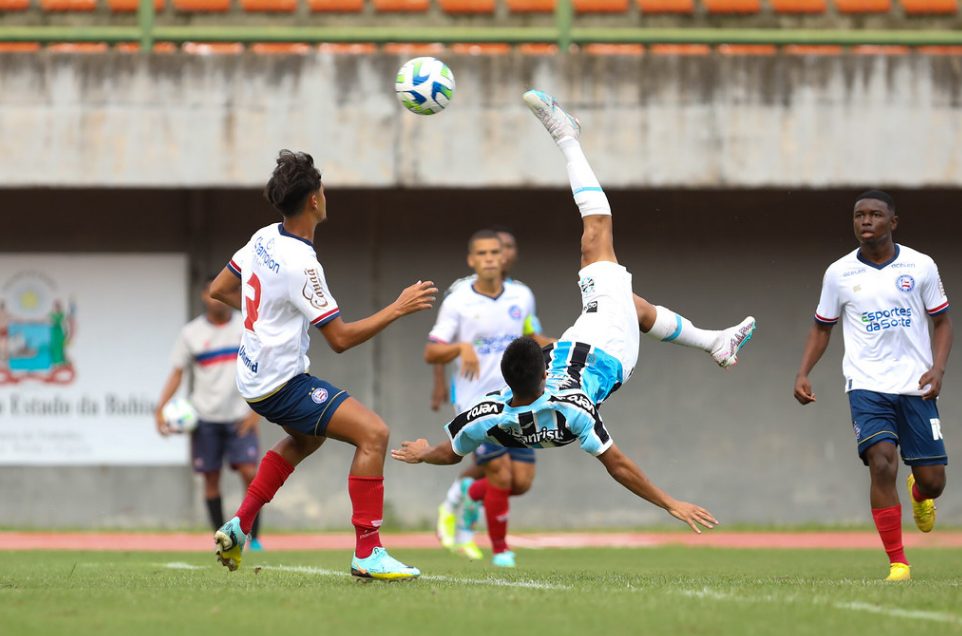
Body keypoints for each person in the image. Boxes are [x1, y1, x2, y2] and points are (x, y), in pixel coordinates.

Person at [393, 90, 756, 567]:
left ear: (510, 381)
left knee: (634, 305)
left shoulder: (488, 414)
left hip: (588, 344)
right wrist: (671, 502)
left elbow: (450, 450)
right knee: (596, 236)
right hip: (605, 347)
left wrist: (423, 454)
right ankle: (568, 139)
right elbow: (619, 464)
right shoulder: (573, 408)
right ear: (541, 373)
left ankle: (714, 342)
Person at [209, 150, 437, 581]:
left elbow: (220, 289)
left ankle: (240, 525)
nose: (325, 195)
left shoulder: (263, 238)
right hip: (281, 383)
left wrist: (266, 321)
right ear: (314, 200)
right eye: (323, 189)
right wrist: (398, 307)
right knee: (374, 433)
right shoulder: (303, 264)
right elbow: (341, 339)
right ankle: (368, 552)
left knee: (306, 440)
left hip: (253, 376)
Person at [794, 190, 952, 582]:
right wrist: (803, 371)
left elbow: (943, 322)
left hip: (915, 385)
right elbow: (822, 327)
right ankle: (898, 562)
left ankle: (919, 493)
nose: (866, 221)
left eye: (875, 215)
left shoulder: (921, 266)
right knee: (881, 463)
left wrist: (938, 369)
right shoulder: (839, 273)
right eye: (859, 215)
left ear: (892, 222)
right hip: (866, 385)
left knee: (934, 482)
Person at [426, 229, 547, 566]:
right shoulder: (458, 300)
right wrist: (460, 347)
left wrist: (567, 345)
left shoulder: (522, 297)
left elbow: (531, 336)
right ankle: (500, 551)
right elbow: (431, 352)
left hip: (518, 398)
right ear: (471, 260)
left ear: (504, 256)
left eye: (496, 252)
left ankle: (465, 493)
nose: (491, 258)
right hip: (475, 404)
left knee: (520, 483)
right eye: (483, 254)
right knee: (500, 475)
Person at [155, 279, 264, 550]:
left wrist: (257, 412)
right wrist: (160, 409)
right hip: (204, 419)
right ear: (205, 295)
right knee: (211, 478)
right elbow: (178, 372)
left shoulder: (248, 326)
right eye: (213, 293)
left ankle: (254, 538)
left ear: (235, 294)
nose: (219, 297)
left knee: (251, 474)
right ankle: (222, 538)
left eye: (227, 291)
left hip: (241, 416)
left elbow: (267, 367)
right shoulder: (191, 333)